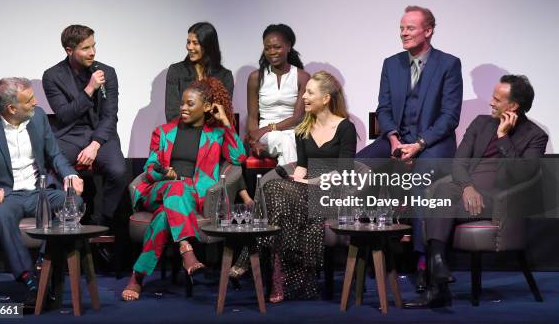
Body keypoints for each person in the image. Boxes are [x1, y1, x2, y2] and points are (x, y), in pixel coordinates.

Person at [405, 75, 548, 308]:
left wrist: (503, 137)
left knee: (438, 204)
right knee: (439, 196)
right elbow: (459, 162)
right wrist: (468, 187)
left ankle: (437, 286)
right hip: (465, 191)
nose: (490, 103)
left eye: (497, 99)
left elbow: (521, 175)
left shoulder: (535, 136)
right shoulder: (481, 123)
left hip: (500, 200)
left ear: (513, 106)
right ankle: (439, 268)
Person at [356, 5, 463, 291]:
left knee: (421, 180)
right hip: (397, 138)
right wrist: (392, 139)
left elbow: (449, 117)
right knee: (357, 166)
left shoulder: (449, 64)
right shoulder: (392, 63)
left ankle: (422, 262)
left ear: (428, 31)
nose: (403, 33)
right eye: (402, 28)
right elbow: (384, 107)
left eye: (410, 28)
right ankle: (368, 246)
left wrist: (418, 145)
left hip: (432, 143)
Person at [0, 78, 84, 308]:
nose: (36, 102)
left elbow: (55, 155)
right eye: (29, 101)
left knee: (73, 200)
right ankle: (30, 282)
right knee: (2, 214)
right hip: (6, 196)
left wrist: (69, 175)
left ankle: (43, 268)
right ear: (11, 108)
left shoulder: (38, 117)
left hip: (39, 193)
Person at [121, 78, 247, 301]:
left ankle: (138, 276)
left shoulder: (216, 133)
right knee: (176, 186)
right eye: (182, 103)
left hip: (192, 196)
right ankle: (186, 248)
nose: (183, 108)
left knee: (163, 216)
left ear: (207, 107)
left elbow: (238, 157)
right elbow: (149, 168)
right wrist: (162, 173)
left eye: (190, 104)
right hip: (159, 190)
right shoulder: (163, 132)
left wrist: (227, 123)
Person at [237, 71, 357, 302]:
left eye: (310, 92)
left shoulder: (345, 128)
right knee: (274, 190)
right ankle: (278, 278)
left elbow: (343, 173)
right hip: (305, 190)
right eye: (304, 92)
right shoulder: (303, 128)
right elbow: (302, 166)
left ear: (326, 98)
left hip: (332, 194)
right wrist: (297, 180)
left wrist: (307, 182)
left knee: (276, 193)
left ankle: (247, 259)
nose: (303, 97)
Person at [42, 24, 127, 228]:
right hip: (70, 133)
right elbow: (64, 115)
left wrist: (96, 144)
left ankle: (104, 222)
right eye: (85, 48)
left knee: (118, 170)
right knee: (52, 165)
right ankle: (62, 220)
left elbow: (110, 115)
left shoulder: (107, 72)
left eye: (94, 46)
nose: (92, 52)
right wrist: (89, 89)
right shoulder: (52, 76)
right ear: (69, 50)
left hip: (100, 135)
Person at [246, 24, 310, 165]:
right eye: (267, 48)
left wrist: (268, 127)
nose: (272, 52)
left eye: (277, 47)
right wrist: (254, 140)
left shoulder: (302, 77)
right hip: (266, 136)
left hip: (292, 132)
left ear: (288, 46)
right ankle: (294, 185)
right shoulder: (256, 77)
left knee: (290, 142)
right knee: (284, 141)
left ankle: (282, 184)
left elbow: (298, 117)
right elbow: (251, 117)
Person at [165, 22, 234, 122]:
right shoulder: (176, 71)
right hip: (182, 133)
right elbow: (172, 114)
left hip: (212, 135)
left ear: (208, 46)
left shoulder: (225, 76)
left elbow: (222, 114)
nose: (189, 47)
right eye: (188, 42)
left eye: (195, 43)